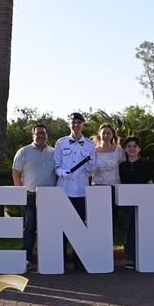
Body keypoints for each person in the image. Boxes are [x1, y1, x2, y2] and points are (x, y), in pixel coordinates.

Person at [53, 112, 96, 271]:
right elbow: (56, 165)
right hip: (63, 190)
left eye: (79, 122)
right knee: (62, 226)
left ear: (83, 125)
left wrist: (90, 166)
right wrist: (61, 172)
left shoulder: (90, 145)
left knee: (79, 226)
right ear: (68, 124)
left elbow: (92, 169)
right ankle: (61, 259)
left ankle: (79, 260)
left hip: (80, 191)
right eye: (73, 122)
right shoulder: (61, 143)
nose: (76, 125)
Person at [12, 124, 57, 271]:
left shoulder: (54, 152)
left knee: (49, 228)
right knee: (29, 228)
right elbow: (16, 172)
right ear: (33, 135)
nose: (41, 136)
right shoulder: (23, 152)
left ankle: (49, 258)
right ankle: (27, 259)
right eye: (38, 133)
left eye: (43, 133)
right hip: (29, 196)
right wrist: (19, 192)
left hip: (50, 197)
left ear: (47, 135)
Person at [119, 135, 153, 270]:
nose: (132, 149)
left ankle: (145, 255)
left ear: (139, 149)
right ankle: (131, 258)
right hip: (128, 202)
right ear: (125, 149)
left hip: (144, 202)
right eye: (129, 146)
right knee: (129, 228)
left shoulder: (146, 164)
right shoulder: (122, 166)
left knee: (144, 228)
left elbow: (149, 182)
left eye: (134, 146)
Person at [92, 123, 125, 187]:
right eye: (103, 133)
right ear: (99, 134)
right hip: (98, 187)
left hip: (115, 187)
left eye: (108, 133)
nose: (106, 135)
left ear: (112, 134)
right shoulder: (93, 151)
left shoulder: (119, 151)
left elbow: (124, 168)